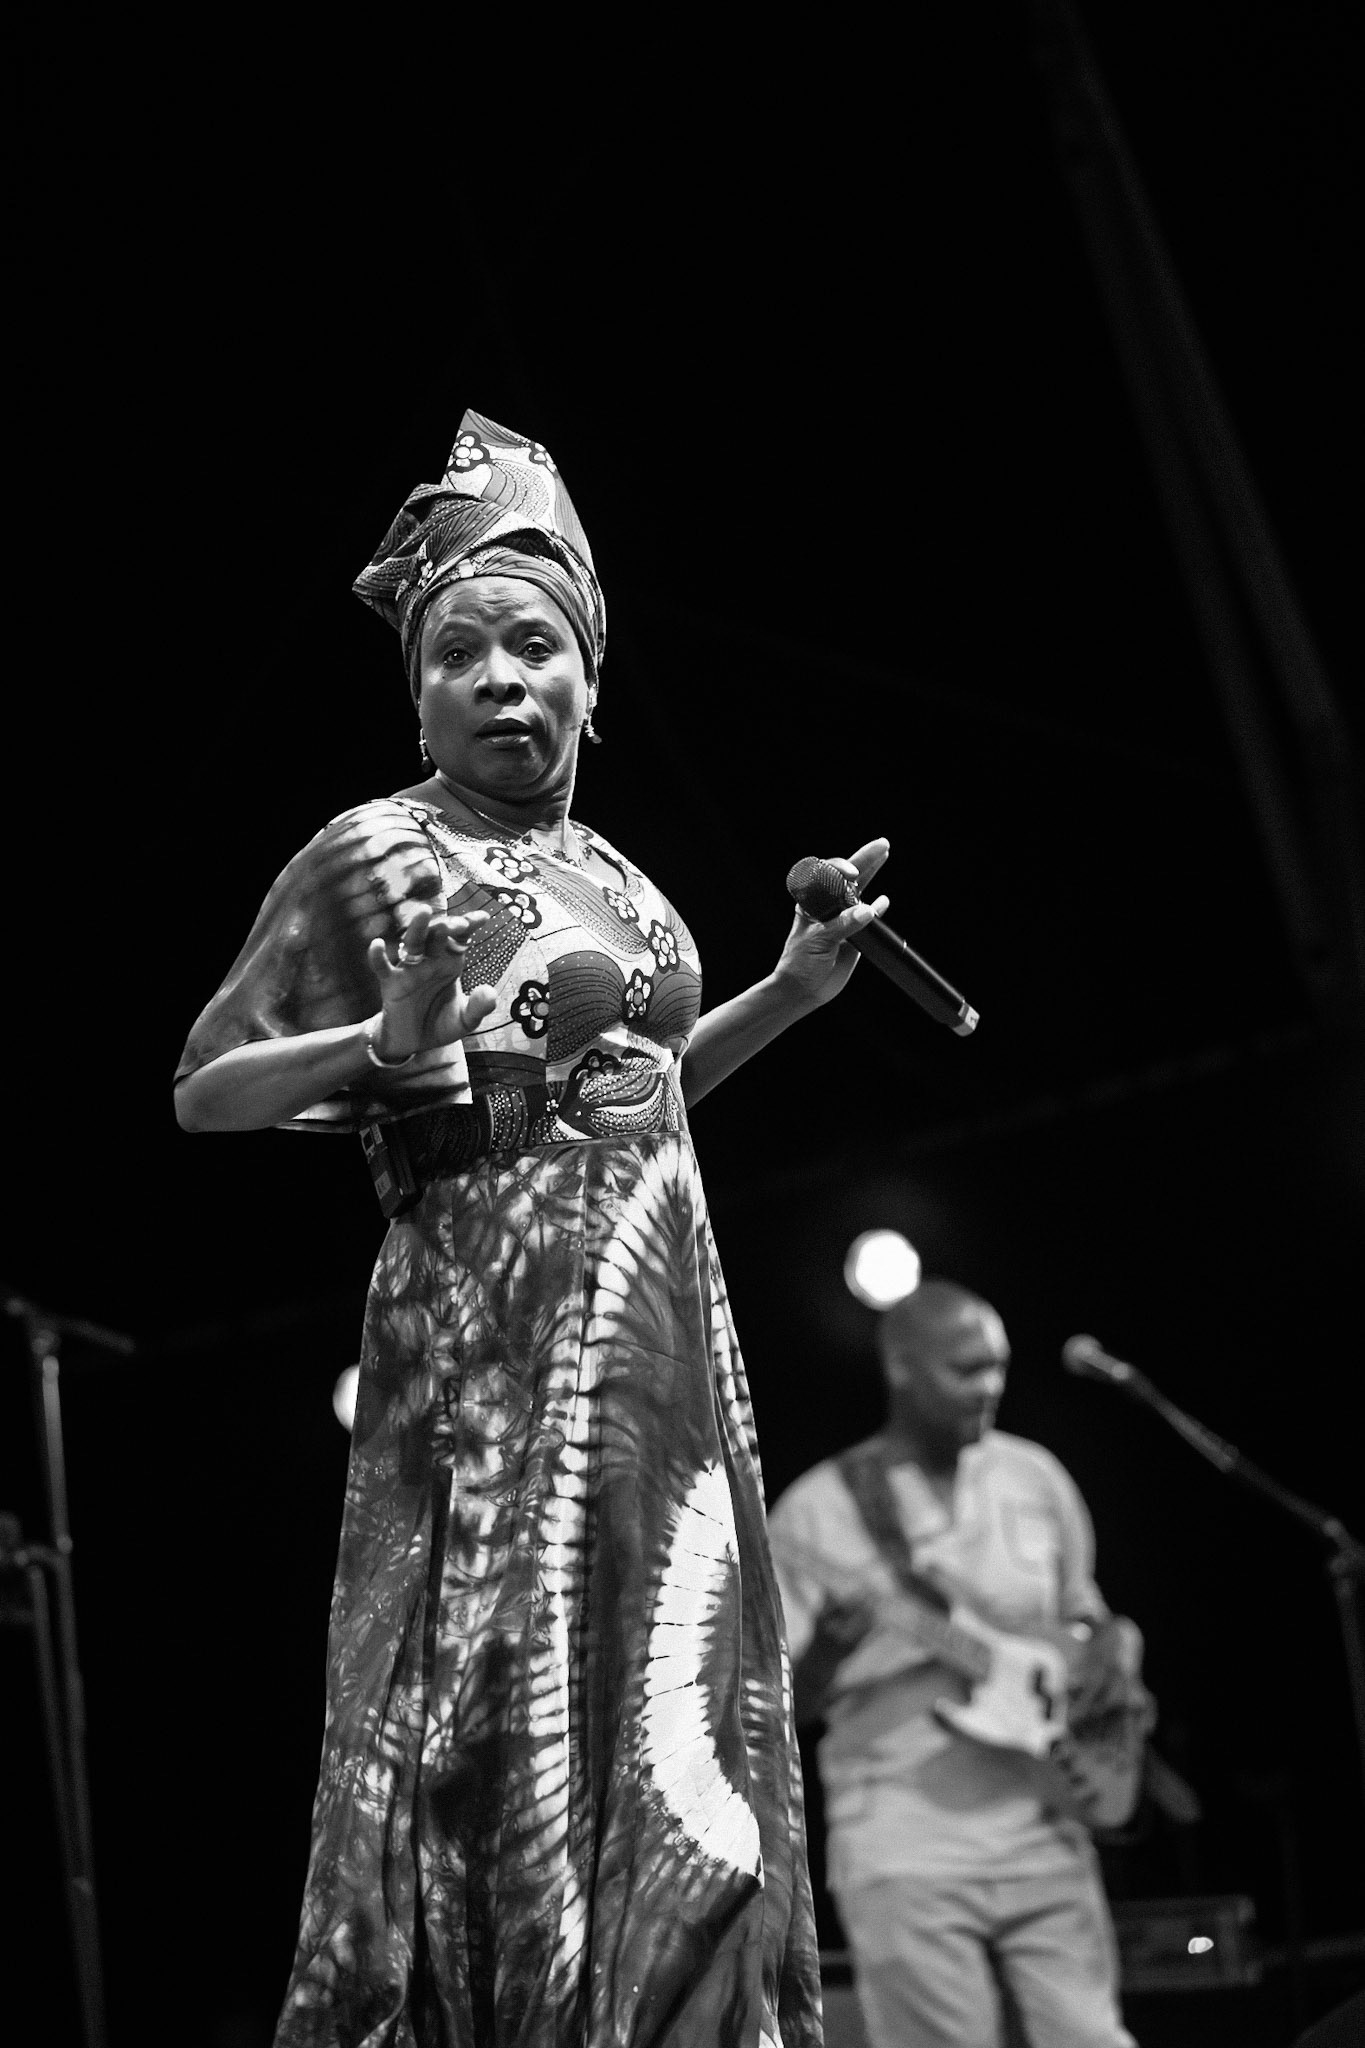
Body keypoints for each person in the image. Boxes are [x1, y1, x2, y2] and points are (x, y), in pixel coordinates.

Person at [174, 410, 891, 2047]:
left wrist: (790, 990)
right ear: (418, 694)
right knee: (514, 1721)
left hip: (665, 1350)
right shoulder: (377, 851)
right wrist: (380, 1034)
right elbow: (206, 1090)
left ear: (589, 677)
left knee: (677, 1713)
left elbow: (637, 1094)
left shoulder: (620, 876)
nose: (502, 680)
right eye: (461, 656)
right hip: (494, 1356)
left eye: (535, 647)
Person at [767, 1279, 1150, 2048]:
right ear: (901, 1368)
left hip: (1045, 1817)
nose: (990, 1386)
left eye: (998, 1366)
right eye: (966, 1368)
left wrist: (1113, 1650)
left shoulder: (1033, 1476)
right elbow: (784, 1711)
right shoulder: (814, 1513)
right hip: (904, 1839)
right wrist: (831, 1650)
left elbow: (1083, 1616)